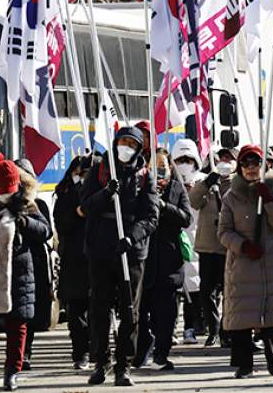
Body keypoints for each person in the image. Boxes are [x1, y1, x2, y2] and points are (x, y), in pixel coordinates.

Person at [81, 126, 159, 387]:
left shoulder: (144, 174)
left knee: (129, 311)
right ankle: (100, 362)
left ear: (138, 148)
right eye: (122, 142)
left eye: (132, 144)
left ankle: (123, 365)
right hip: (101, 248)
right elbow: (84, 206)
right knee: (100, 308)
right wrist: (105, 194)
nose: (126, 147)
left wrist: (131, 237)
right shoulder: (101, 169)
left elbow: (151, 217)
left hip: (130, 252)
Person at [218, 145, 273, 378]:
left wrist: (269, 200)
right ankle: (245, 364)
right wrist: (242, 245)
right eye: (246, 164)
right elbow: (223, 232)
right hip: (243, 262)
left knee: (271, 314)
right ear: (240, 168)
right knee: (242, 315)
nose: (251, 169)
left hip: (270, 260)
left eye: (256, 164)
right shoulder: (230, 197)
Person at [0, 155, 51, 391]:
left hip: (19, 271)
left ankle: (12, 371)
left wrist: (24, 223)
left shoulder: (28, 203)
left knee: (17, 325)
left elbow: (45, 231)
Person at [134, 146, 192, 371]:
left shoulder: (177, 189)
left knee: (166, 315)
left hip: (169, 262)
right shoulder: (140, 188)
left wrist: (165, 207)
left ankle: (161, 353)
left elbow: (186, 217)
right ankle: (142, 349)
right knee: (141, 311)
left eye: (163, 166)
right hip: (144, 260)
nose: (158, 171)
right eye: (153, 166)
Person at [189, 148, 235, 347]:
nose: (225, 161)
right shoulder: (206, 182)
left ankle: (227, 330)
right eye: (221, 158)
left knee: (228, 290)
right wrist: (208, 183)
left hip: (229, 246)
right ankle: (213, 328)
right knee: (206, 291)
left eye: (229, 158)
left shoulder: (237, 184)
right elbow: (193, 201)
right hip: (207, 245)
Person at [53, 156, 91, 369]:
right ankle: (80, 353)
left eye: (85, 174)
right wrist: (77, 211)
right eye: (79, 174)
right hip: (73, 261)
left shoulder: (99, 193)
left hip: (96, 258)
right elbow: (61, 225)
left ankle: (96, 349)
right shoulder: (65, 196)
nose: (81, 178)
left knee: (96, 311)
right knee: (76, 312)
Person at [172, 141, 205, 345]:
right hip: (175, 241)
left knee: (194, 289)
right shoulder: (169, 183)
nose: (184, 164)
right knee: (173, 290)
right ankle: (171, 329)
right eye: (180, 160)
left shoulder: (203, 182)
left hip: (198, 242)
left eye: (188, 160)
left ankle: (190, 328)